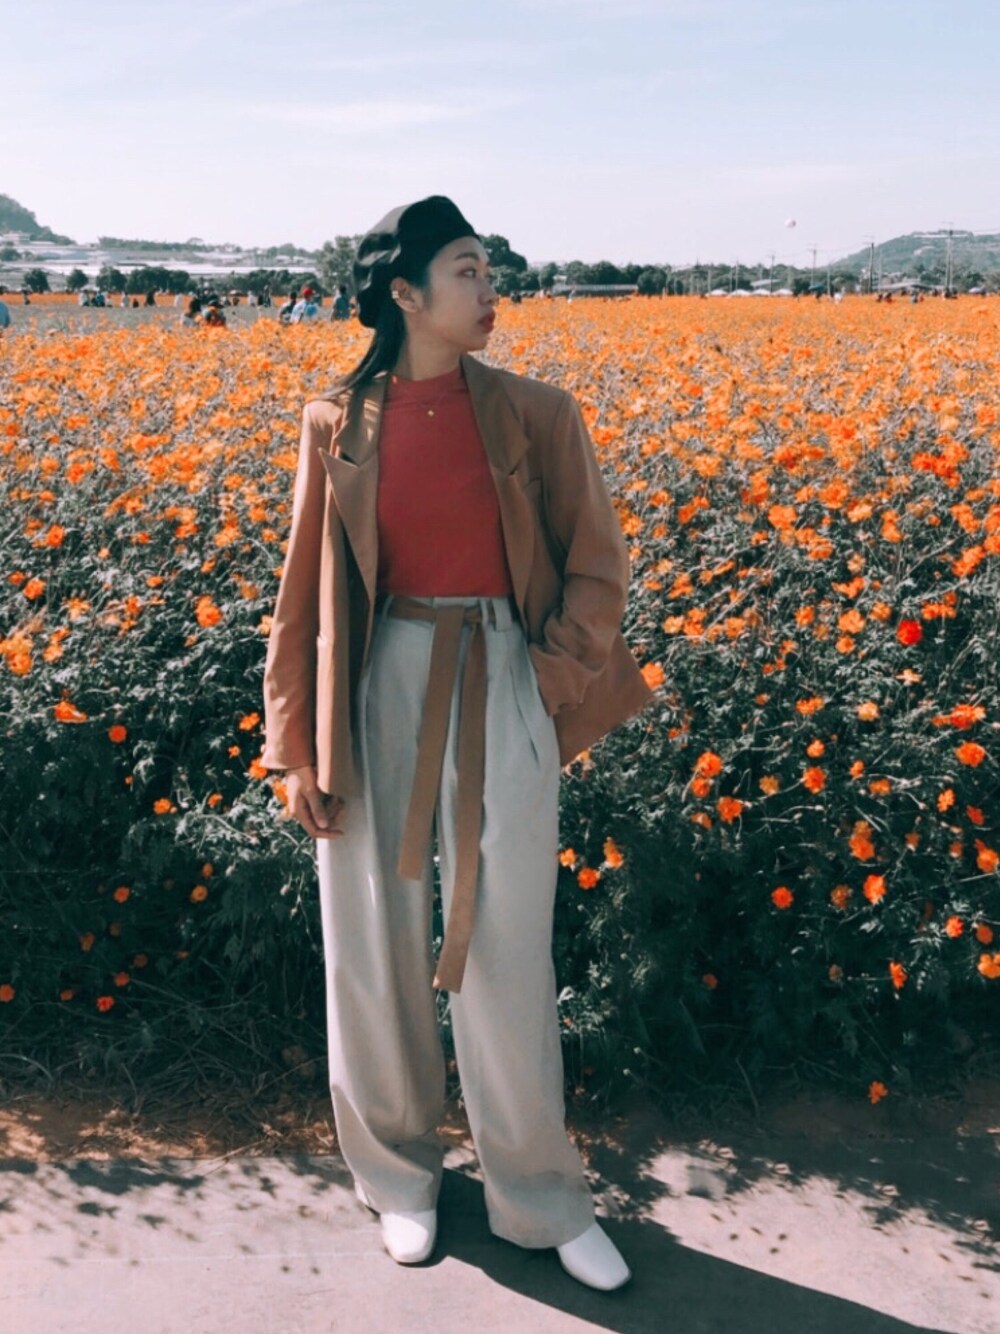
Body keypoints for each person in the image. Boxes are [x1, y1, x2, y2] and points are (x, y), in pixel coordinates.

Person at [261, 195, 652, 1289]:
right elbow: (301, 594)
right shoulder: (336, 420)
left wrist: (544, 678)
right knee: (371, 938)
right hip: (377, 678)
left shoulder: (537, 412)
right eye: (468, 271)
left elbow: (598, 566)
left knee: (509, 944)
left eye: (489, 269)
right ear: (406, 292)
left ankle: (539, 1193)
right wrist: (295, 745)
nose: (490, 290)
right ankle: (399, 1178)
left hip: (502, 676)